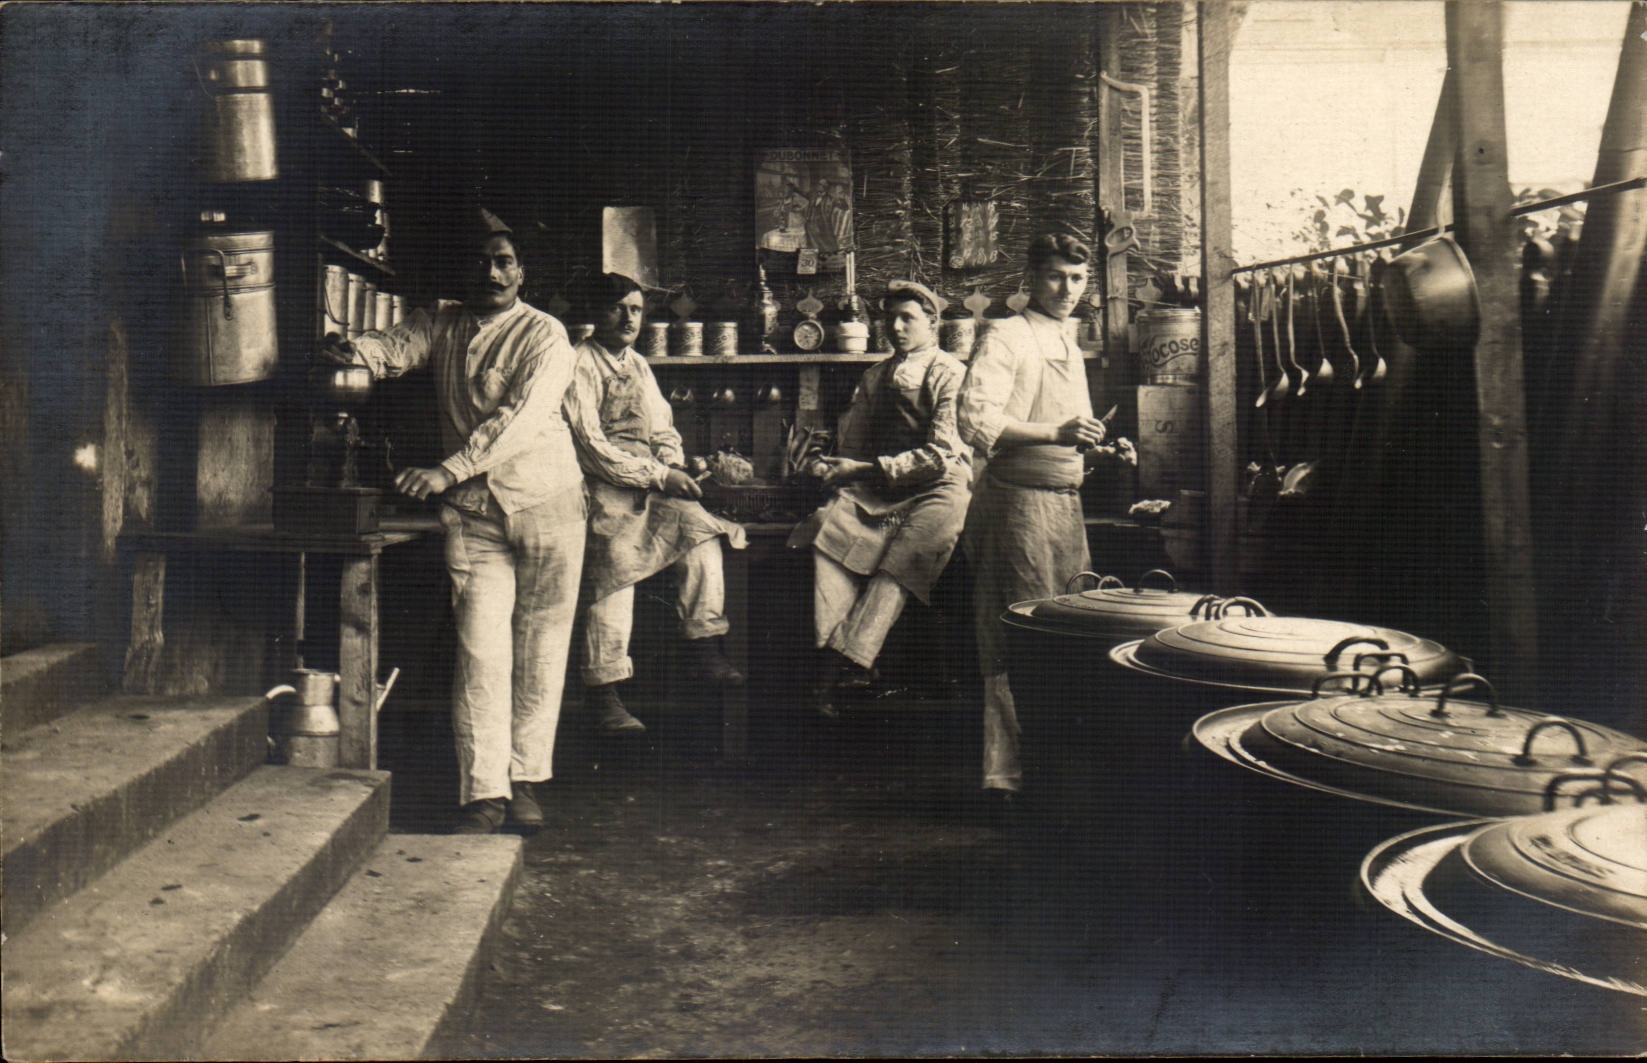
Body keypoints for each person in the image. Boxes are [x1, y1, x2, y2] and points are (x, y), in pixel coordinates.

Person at [323, 208, 584, 834]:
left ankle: (524, 782)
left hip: (547, 503)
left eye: (503, 261)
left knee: (541, 651)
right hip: (476, 516)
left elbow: (520, 418)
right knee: (481, 652)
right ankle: (484, 795)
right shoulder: (441, 321)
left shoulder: (546, 335)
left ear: (522, 272)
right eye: (480, 261)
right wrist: (351, 348)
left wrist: (449, 468)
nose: (491, 272)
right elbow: (390, 349)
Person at [957, 232, 1134, 799]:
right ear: (1031, 278)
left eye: (1078, 279)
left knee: (1066, 634)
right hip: (1016, 509)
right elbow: (975, 420)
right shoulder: (1005, 336)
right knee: (1015, 638)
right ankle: (1004, 776)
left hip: (1064, 508)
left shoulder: (1066, 339)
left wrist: (1097, 448)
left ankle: (1053, 772)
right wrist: (1058, 432)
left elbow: (1065, 431)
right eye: (1056, 276)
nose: (1067, 289)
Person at [564, 273, 747, 734]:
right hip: (599, 488)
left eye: (635, 309)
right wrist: (660, 474)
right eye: (616, 308)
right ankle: (604, 691)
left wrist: (671, 460)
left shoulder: (640, 365)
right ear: (596, 312)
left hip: (650, 485)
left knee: (701, 536)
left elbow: (662, 427)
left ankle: (705, 645)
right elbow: (589, 446)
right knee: (616, 569)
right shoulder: (578, 364)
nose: (627, 318)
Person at [788, 279, 972, 718]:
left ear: (932, 322)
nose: (896, 326)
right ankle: (851, 663)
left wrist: (865, 469)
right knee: (826, 530)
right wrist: (830, 468)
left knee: (901, 565)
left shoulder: (951, 373)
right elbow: (852, 446)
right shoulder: (874, 376)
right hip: (881, 487)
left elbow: (941, 454)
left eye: (908, 317)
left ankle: (837, 668)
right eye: (890, 318)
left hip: (940, 487)